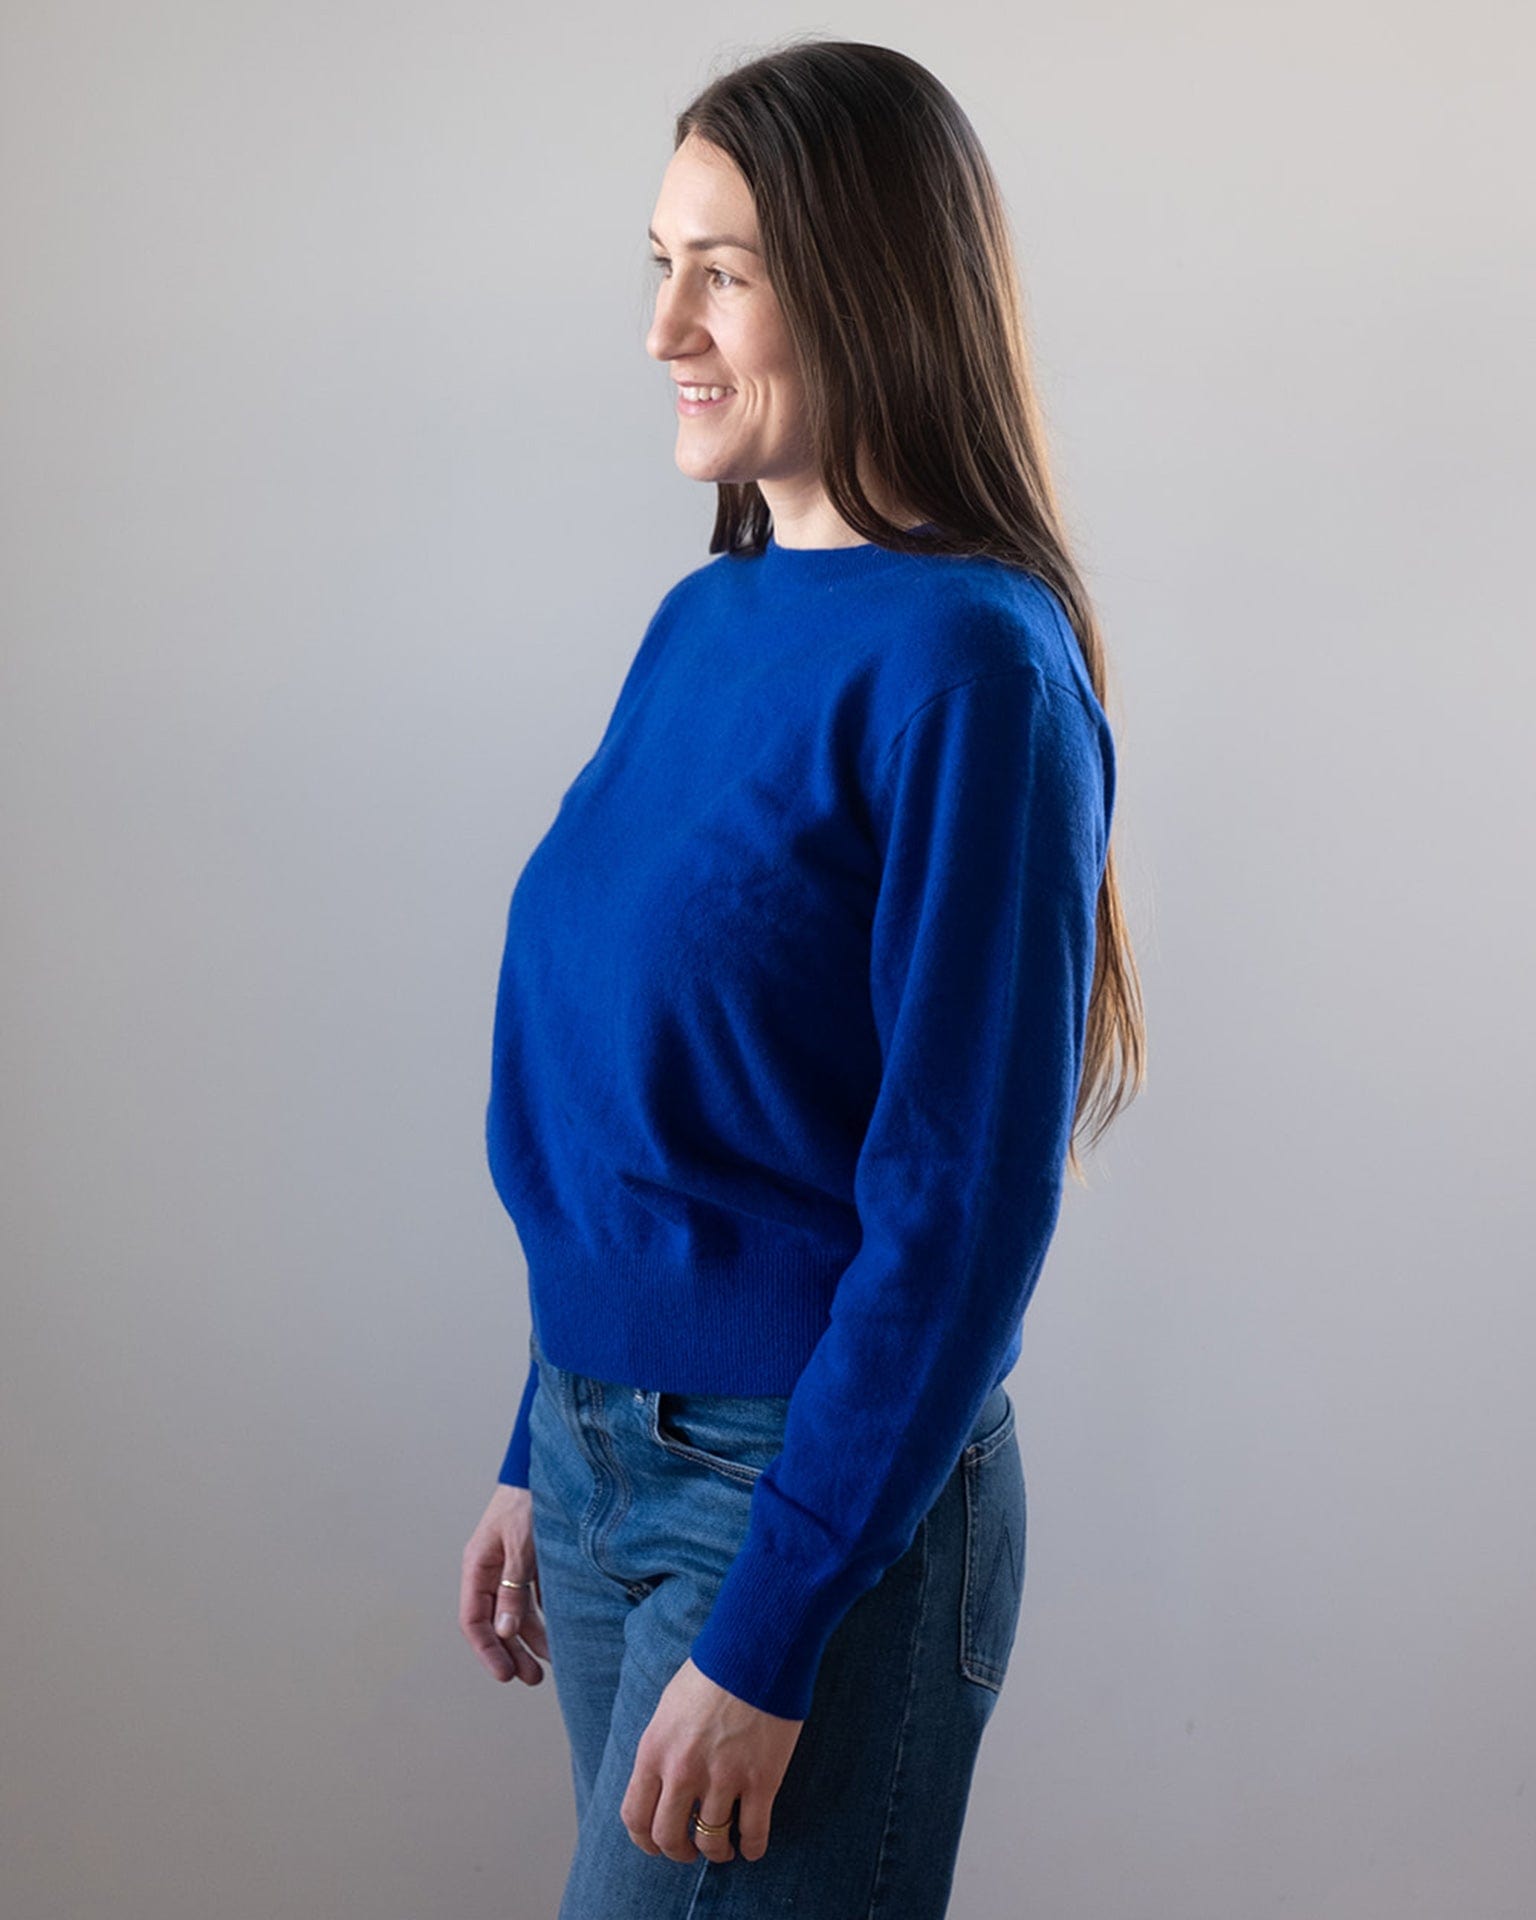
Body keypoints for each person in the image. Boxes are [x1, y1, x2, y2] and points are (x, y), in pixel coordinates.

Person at [458, 36, 1145, 1919]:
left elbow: (962, 1209)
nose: (667, 323)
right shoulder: (706, 618)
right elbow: (628, 1096)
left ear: (872, 284)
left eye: (727, 272)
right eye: (658, 264)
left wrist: (776, 1621)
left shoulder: (972, 671)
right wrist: (548, 1432)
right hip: (609, 1477)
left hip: (798, 1508)